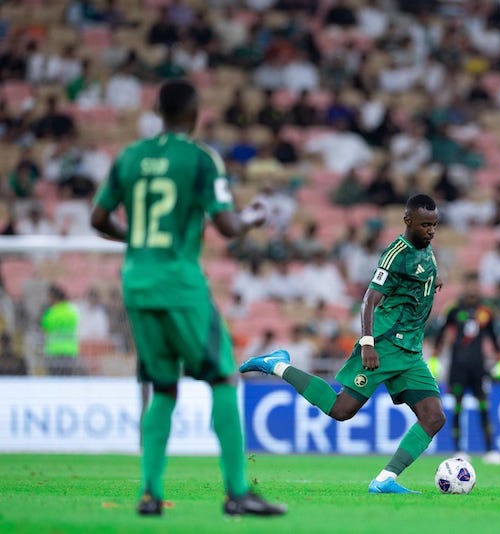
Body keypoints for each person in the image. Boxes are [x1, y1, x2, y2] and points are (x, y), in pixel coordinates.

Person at [90, 79, 286, 518]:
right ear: (195, 112)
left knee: (162, 386)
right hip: (179, 282)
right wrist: (254, 214)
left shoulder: (129, 157)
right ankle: (238, 491)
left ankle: (149, 494)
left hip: (136, 282)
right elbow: (228, 227)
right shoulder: (200, 159)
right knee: (222, 378)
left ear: (158, 111)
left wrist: (137, 242)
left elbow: (98, 217)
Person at [240, 194, 446, 494]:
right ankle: (277, 365)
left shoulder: (426, 251)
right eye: (425, 225)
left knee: (434, 417)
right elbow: (369, 300)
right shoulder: (395, 254)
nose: (430, 231)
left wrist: (433, 281)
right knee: (341, 410)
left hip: (411, 352)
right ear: (408, 221)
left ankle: (385, 480)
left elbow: (418, 275)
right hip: (385, 345)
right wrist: (367, 343)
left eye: (434, 225)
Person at [432, 271, 500, 465]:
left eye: (476, 285)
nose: (473, 289)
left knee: (484, 406)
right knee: (457, 407)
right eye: (470, 285)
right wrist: (436, 355)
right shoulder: (454, 309)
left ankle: (490, 450)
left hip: (478, 367)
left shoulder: (486, 311)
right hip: (457, 367)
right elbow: (441, 332)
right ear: (465, 287)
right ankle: (458, 449)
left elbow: (493, 336)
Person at [40, 284, 81, 376]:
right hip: (70, 351)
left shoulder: (50, 313)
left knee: (55, 381)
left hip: (54, 351)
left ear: (54, 298)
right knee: (66, 380)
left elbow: (44, 329)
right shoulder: (72, 311)